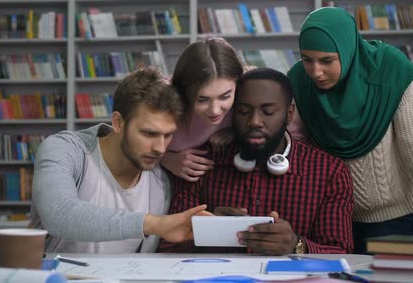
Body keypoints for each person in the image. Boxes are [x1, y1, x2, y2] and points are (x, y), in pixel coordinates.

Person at [287, 7, 413, 254]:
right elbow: (296, 146)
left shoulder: (391, 71)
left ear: (347, 50)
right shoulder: (298, 81)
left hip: (395, 216)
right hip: (332, 219)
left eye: (327, 60)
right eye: (307, 59)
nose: (316, 71)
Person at [160, 68, 354, 255]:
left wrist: (297, 245)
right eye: (244, 111)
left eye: (268, 112)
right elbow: (167, 245)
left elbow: (340, 251)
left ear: (289, 113)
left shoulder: (329, 172)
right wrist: (206, 231)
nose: (254, 121)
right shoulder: (201, 163)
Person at [30, 68, 207, 253]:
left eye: (168, 135)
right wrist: (154, 224)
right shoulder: (65, 149)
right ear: (118, 122)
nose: (160, 148)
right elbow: (58, 213)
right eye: (149, 133)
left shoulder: (161, 182)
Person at [161, 37, 244, 182]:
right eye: (202, 99)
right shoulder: (163, 102)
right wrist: (166, 159)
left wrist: (235, 131)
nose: (215, 111)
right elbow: (127, 143)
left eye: (225, 97)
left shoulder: (248, 94)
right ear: (184, 91)